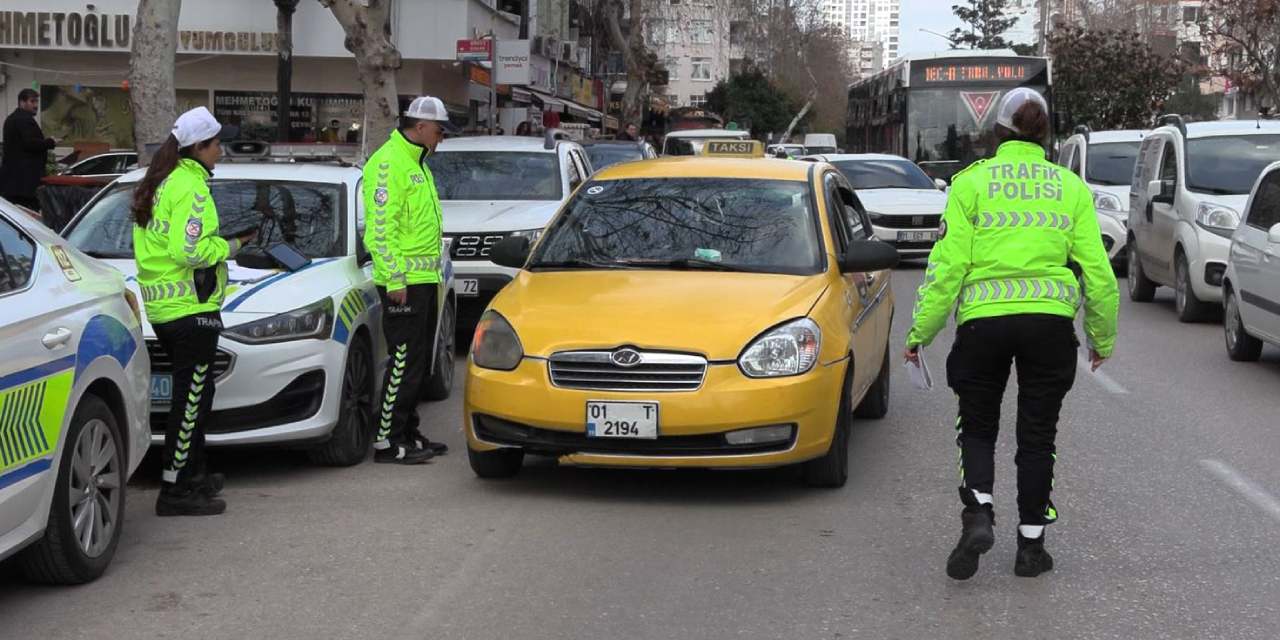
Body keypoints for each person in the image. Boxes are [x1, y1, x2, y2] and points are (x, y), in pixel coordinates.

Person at [904, 88, 1118, 580]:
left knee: (977, 426)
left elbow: (947, 267)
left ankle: (978, 511)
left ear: (997, 131)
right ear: (1046, 132)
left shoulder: (970, 184)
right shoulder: (1070, 188)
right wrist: (1100, 338)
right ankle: (1030, 548)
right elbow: (1100, 275)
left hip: (984, 323)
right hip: (1048, 326)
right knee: (1037, 436)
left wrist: (922, 332)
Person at [131, 106, 256, 516]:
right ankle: (177, 489)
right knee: (191, 401)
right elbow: (190, 250)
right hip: (189, 308)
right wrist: (233, 245)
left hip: (169, 308)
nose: (222, 150)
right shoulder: (190, 187)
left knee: (197, 396)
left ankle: (194, 474)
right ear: (199, 147)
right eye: (217, 143)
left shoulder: (164, 181)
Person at [363, 96, 456, 464]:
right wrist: (395, 280)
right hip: (404, 284)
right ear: (419, 127)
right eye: (438, 130)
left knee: (417, 362)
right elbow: (381, 232)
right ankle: (387, 441)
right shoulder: (388, 164)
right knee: (402, 362)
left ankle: (407, 432)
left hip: (424, 279)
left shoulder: (417, 163)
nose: (441, 138)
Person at [0, 89, 56, 211]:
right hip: (24, 183)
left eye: (37, 101)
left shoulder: (13, 118)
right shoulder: (23, 119)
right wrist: (50, 142)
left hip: (14, 182)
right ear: (22, 102)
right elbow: (30, 144)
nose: (36, 105)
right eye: (32, 101)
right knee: (27, 216)